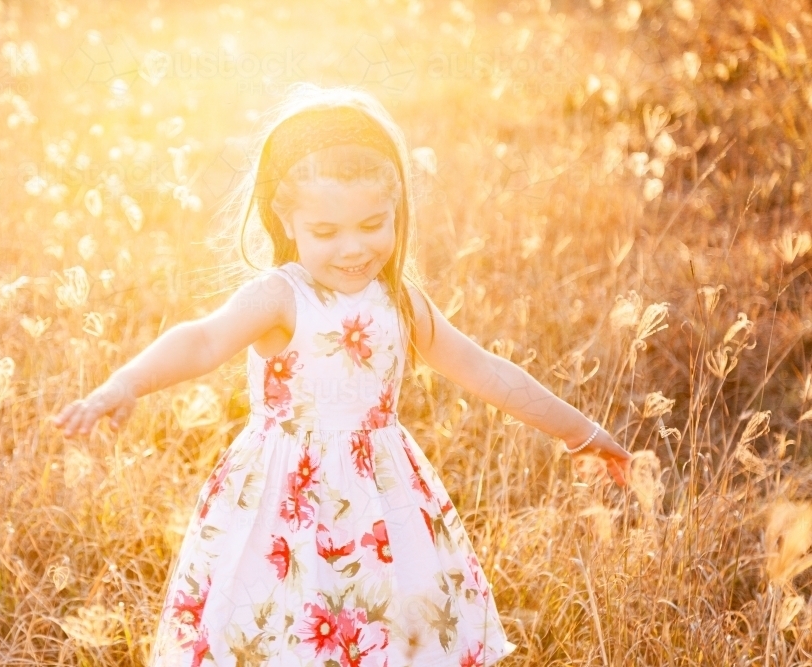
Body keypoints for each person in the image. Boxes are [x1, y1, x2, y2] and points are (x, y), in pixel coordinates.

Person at [51, 83, 631, 666]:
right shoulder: (281, 296)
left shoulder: (400, 301)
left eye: (373, 224)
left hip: (383, 500)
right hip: (283, 502)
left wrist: (578, 432)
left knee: (380, 627)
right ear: (287, 218)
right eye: (326, 233)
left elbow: (482, 368)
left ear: (397, 208)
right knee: (283, 628)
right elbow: (202, 339)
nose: (353, 249)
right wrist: (123, 383)